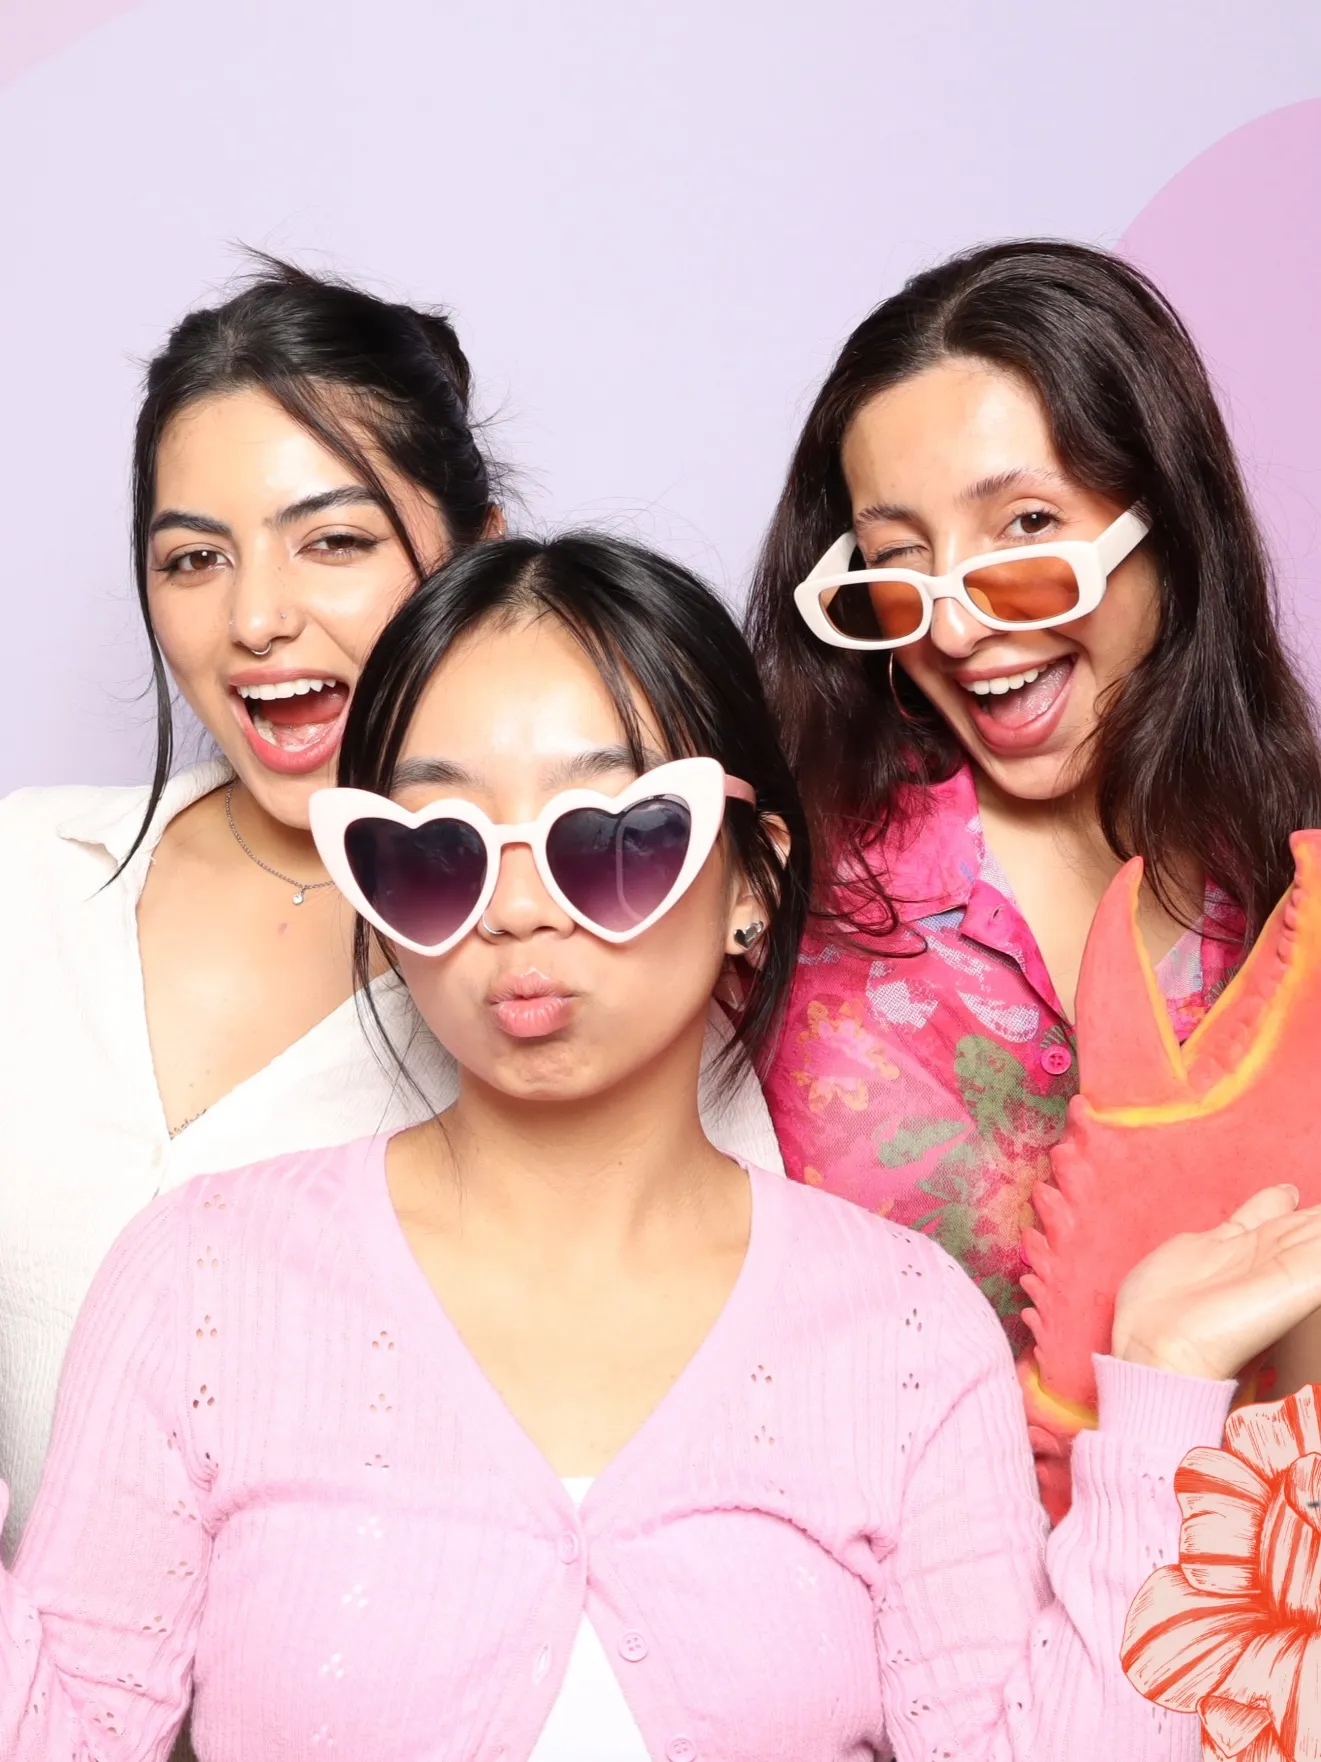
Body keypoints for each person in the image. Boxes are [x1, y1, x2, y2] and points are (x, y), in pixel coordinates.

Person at [4, 531, 1320, 1761]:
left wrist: (1159, 1390)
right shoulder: (203, 1282)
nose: (517, 910)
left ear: (750, 879)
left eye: (616, 836)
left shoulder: (904, 1329)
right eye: (434, 852)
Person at [0, 262, 782, 1562]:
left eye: (335, 540)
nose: (257, 617)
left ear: (475, 551)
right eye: (193, 557)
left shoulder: (576, 949)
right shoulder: (24, 877)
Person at [744, 240, 1321, 1395]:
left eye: (1022, 529)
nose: (954, 627)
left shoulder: (1286, 886)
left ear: (1164, 520)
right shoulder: (774, 892)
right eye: (898, 557)